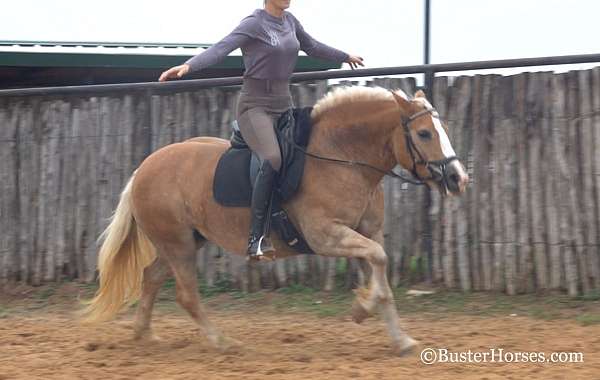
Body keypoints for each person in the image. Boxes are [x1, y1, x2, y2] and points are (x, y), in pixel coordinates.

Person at [159, 0, 364, 260]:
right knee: (272, 158)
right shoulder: (254, 23)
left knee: (304, 153)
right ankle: (256, 238)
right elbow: (223, 47)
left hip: (283, 107)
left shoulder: (290, 22)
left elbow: (312, 46)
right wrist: (189, 66)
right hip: (254, 109)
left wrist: (344, 56)